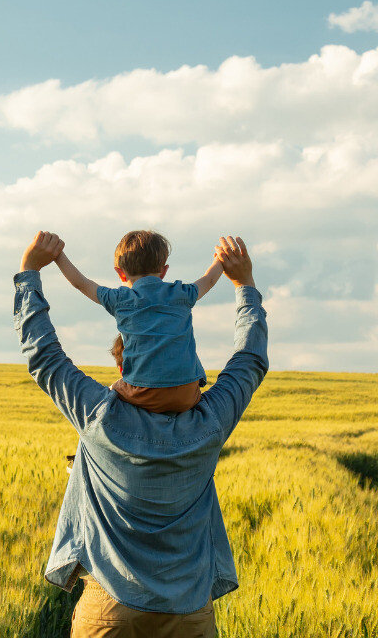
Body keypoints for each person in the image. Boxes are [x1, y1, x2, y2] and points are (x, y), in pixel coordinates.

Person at [15, 231, 268, 638]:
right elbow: (250, 360)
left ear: (124, 370)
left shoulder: (97, 416)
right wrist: (245, 286)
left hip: (110, 609)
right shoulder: (210, 422)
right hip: (190, 612)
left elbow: (44, 357)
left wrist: (29, 273)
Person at [55, 230, 227, 414]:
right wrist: (221, 258)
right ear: (163, 271)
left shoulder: (119, 298)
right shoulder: (182, 293)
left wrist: (58, 255)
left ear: (120, 273)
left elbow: (81, 283)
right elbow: (209, 279)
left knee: (112, 392)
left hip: (144, 395)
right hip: (188, 395)